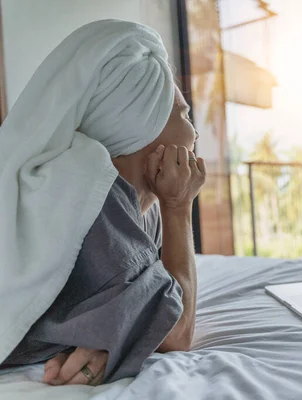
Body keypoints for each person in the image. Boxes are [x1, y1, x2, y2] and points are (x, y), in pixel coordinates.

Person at [0, 20, 204, 385]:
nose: (194, 133)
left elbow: (143, 298)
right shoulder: (92, 191)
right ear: (147, 125)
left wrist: (118, 329)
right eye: (184, 114)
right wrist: (179, 206)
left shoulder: (139, 205)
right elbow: (177, 333)